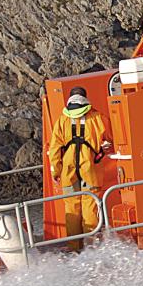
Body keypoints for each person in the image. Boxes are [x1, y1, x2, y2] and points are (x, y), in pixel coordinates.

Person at [48, 86, 111, 248]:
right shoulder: (98, 118)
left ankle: (75, 248)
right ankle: (91, 247)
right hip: (90, 168)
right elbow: (110, 140)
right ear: (85, 98)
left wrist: (56, 170)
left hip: (68, 170)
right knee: (90, 206)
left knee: (71, 209)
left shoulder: (62, 120)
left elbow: (54, 149)